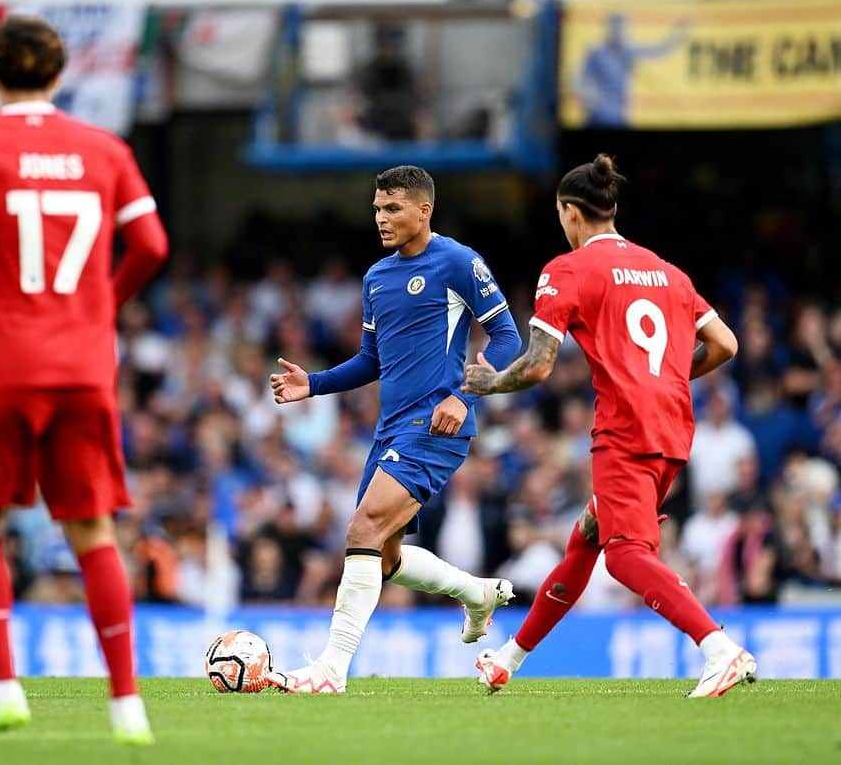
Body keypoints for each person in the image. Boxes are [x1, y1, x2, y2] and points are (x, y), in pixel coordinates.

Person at [0, 16, 168, 744]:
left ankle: (2, 685)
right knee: (92, 528)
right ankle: (127, 703)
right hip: (83, 362)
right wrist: (101, 304)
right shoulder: (106, 149)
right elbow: (153, 244)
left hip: (7, 356)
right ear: (59, 75)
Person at [463, 154, 756, 698]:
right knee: (588, 537)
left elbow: (539, 365)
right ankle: (507, 658)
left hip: (624, 429)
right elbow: (726, 345)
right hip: (672, 425)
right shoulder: (669, 272)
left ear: (570, 213)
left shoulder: (567, 270)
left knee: (624, 556)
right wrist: (666, 377)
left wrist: (490, 382)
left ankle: (718, 648)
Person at [267, 165, 521, 693]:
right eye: (378, 208)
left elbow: (506, 339)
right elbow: (371, 360)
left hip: (437, 424)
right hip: (391, 429)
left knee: (360, 531)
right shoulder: (377, 278)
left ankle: (331, 670)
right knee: (382, 556)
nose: (381, 218)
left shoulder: (457, 261)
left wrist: (462, 394)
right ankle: (475, 593)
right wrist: (311, 384)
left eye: (394, 208)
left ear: (424, 210)